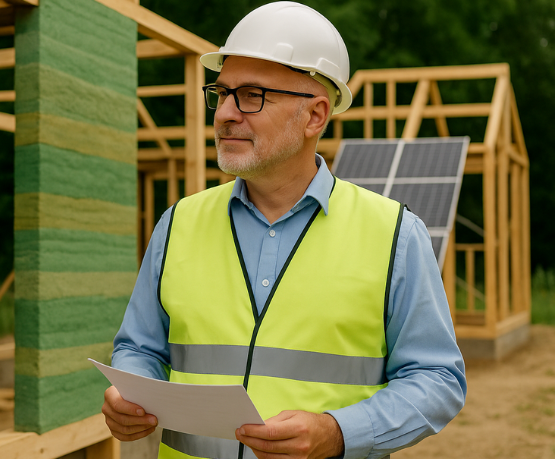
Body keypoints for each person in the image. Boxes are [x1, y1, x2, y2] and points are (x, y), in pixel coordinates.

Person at [101, 2, 466, 458]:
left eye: (251, 95)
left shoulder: (394, 233)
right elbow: (140, 348)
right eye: (222, 92)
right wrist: (129, 395)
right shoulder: (178, 224)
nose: (225, 114)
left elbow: (437, 380)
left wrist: (339, 431)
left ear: (314, 116)